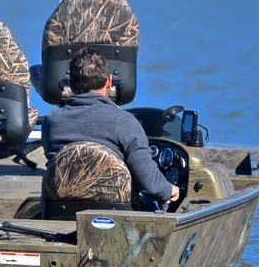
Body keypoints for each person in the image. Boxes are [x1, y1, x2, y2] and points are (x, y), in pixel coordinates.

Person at [41, 48, 179, 204]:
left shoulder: (51, 123)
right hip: (118, 217)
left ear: (71, 85)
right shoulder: (125, 122)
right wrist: (169, 189)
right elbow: (152, 186)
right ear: (109, 82)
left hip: (60, 213)